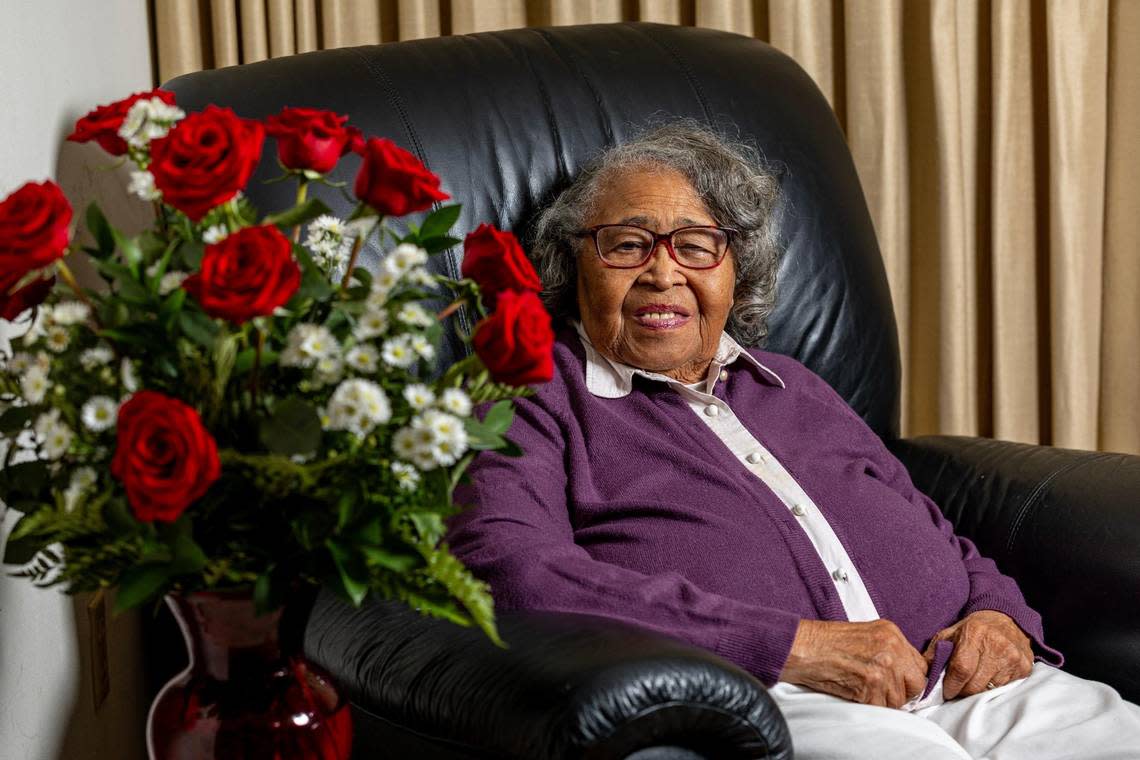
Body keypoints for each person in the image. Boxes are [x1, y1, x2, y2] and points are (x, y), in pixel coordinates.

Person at [445, 123, 1140, 758]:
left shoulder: (794, 386)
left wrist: (1000, 614)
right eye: (627, 244)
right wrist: (791, 646)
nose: (663, 272)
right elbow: (507, 568)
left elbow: (933, 531)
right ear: (575, 268)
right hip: (776, 695)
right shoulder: (531, 392)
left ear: (733, 271)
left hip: (970, 686)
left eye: (695, 245)